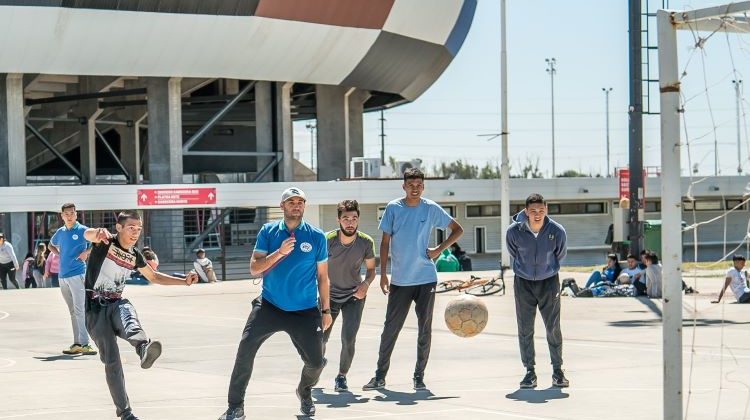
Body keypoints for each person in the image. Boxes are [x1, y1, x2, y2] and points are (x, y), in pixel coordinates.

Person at [219, 187, 331, 419]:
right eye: (291, 202)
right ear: (282, 207)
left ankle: (304, 391)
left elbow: (322, 277)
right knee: (245, 350)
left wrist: (326, 310)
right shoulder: (268, 231)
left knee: (316, 363)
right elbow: (254, 268)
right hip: (269, 306)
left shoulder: (316, 236)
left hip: (305, 310)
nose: (296, 205)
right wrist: (279, 253)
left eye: (300, 201)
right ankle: (235, 406)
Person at [83, 210, 199, 420]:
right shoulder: (105, 242)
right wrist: (95, 232)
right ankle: (125, 413)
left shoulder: (135, 255)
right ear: (119, 228)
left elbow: (153, 276)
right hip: (95, 311)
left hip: (115, 304)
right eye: (131, 228)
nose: (135, 233)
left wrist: (183, 281)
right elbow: (88, 235)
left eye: (138, 228)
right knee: (112, 363)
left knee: (127, 312)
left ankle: (143, 347)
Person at [363, 168, 463, 392]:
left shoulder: (430, 208)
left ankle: (419, 377)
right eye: (411, 184)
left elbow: (457, 230)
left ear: (423, 186)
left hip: (426, 278)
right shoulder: (393, 208)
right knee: (390, 329)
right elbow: (385, 242)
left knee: (424, 329)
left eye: (419, 184)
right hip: (400, 281)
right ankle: (379, 377)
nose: (415, 188)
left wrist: (439, 249)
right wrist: (383, 274)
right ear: (404, 186)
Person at [506, 193, 569, 389]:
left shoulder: (557, 231)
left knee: (553, 327)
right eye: (533, 211)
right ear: (526, 212)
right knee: (525, 328)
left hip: (549, 282)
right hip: (523, 282)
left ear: (546, 210)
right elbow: (513, 252)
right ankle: (529, 372)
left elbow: (560, 254)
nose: (537, 214)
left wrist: (548, 269)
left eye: (541, 210)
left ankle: (558, 371)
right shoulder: (513, 232)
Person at [323, 200, 376, 392]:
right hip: (328, 295)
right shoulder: (327, 239)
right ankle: (317, 364)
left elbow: (371, 271)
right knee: (321, 338)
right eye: (345, 218)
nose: (350, 222)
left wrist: (366, 285)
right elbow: (315, 269)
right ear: (338, 220)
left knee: (348, 339)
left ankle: (341, 377)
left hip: (354, 295)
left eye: (354, 218)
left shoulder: (366, 242)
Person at [49, 203, 96, 355]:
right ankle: (77, 343)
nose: (69, 216)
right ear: (62, 216)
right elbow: (50, 245)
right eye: (66, 214)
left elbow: (99, 243)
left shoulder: (83, 230)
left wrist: (87, 252)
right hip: (62, 277)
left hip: (77, 275)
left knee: (80, 309)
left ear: (76, 214)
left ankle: (86, 344)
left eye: (72, 213)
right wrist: (59, 254)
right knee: (73, 311)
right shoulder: (61, 232)